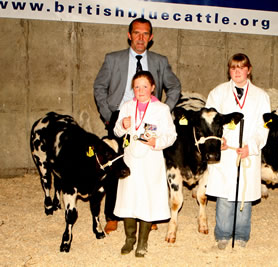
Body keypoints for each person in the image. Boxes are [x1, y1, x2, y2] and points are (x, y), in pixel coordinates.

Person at [93, 18, 181, 233]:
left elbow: (175, 87)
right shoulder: (113, 59)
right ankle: (113, 215)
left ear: (151, 37)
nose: (140, 38)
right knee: (117, 166)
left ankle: (147, 215)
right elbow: (99, 87)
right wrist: (109, 117)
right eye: (136, 33)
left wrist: (162, 111)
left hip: (149, 120)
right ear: (129, 35)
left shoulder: (160, 61)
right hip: (121, 119)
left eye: (145, 34)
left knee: (147, 169)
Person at [205, 53, 271, 249]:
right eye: (233, 68)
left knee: (245, 193)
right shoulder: (218, 93)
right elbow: (209, 120)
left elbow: (264, 126)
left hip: (247, 151)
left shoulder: (261, 96)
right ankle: (223, 234)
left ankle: (241, 234)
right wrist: (218, 141)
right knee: (225, 194)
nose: (237, 72)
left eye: (241, 68)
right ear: (229, 70)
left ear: (249, 70)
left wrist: (251, 146)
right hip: (226, 151)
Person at [113, 71, 177, 257]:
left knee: (147, 199)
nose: (140, 90)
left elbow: (171, 135)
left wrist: (157, 143)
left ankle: (143, 242)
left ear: (153, 87)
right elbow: (117, 132)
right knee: (129, 199)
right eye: (136, 87)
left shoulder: (161, 109)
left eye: (144, 86)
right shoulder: (126, 106)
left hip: (151, 159)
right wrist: (122, 125)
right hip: (130, 159)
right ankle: (129, 239)